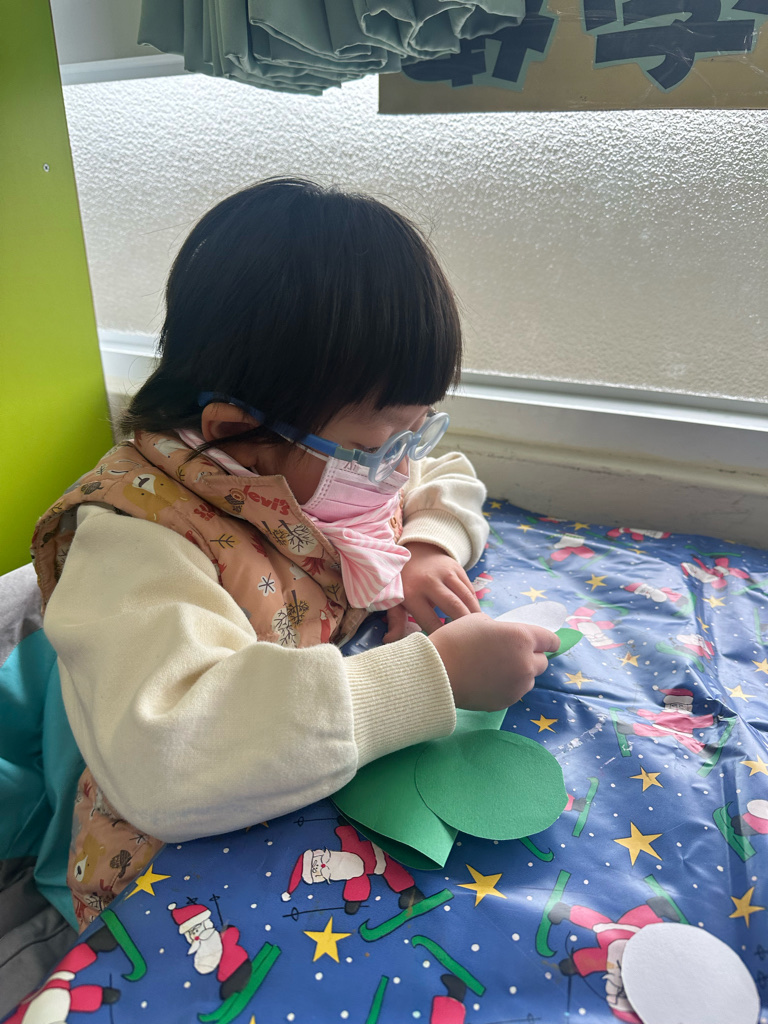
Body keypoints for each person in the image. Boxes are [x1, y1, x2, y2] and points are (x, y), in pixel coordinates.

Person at [31, 177, 559, 928]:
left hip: (310, 790)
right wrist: (432, 678)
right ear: (232, 429)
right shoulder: (134, 542)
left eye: (415, 431)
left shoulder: (311, 460)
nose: (398, 468)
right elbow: (171, 759)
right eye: (379, 446)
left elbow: (443, 474)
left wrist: (425, 546)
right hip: (176, 877)